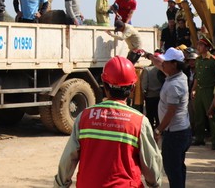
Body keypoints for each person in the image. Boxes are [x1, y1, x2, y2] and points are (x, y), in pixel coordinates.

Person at [54, 56, 161, 188]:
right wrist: (155, 184)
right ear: (132, 88)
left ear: (104, 86)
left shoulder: (84, 117)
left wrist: (60, 185)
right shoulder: (139, 121)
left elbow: (68, 159)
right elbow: (151, 165)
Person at [152, 47, 192, 188]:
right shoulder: (178, 75)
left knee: (172, 169)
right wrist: (148, 55)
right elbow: (159, 63)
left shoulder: (175, 85)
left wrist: (158, 130)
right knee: (178, 167)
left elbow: (171, 112)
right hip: (181, 131)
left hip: (174, 134)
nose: (163, 64)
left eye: (166, 62)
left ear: (174, 64)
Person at [192, 36, 215, 149]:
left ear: (207, 47)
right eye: (198, 45)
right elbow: (197, 77)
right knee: (198, 115)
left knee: (211, 116)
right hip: (199, 90)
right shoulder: (198, 60)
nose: (198, 47)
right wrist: (193, 89)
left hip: (209, 90)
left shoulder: (214, 61)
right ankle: (200, 138)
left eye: (201, 45)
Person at [140, 53, 164, 129]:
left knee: (150, 116)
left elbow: (144, 85)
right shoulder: (163, 70)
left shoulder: (147, 70)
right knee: (158, 116)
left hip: (150, 97)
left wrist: (143, 94)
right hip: (160, 96)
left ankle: (150, 131)